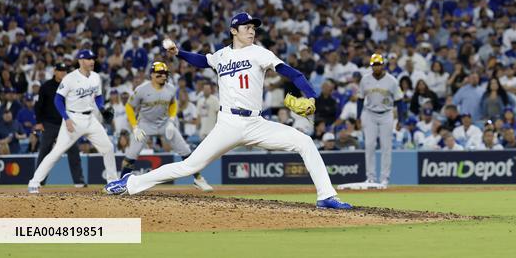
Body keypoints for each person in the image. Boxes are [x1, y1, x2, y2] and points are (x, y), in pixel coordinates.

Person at [104, 12, 351, 209]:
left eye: (253, 27)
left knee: (305, 142)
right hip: (228, 124)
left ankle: (326, 196)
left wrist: (311, 95)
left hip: (256, 123)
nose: (252, 30)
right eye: (246, 27)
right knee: (189, 166)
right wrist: (179, 53)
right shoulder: (221, 55)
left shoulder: (260, 52)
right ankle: (130, 182)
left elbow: (291, 72)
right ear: (234, 30)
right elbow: (203, 60)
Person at [27, 50, 117, 193]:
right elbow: (58, 99)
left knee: (108, 148)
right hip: (73, 119)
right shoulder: (70, 78)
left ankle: (112, 182)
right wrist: (66, 118)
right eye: (88, 59)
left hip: (90, 118)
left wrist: (101, 108)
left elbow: (98, 97)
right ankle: (34, 182)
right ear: (81, 61)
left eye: (93, 58)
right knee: (57, 152)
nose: (92, 61)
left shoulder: (96, 77)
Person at [120, 61, 213, 191]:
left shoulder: (170, 88)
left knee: (185, 151)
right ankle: (121, 183)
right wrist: (135, 127)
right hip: (145, 124)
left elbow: (173, 104)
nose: (163, 76)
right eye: (160, 73)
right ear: (152, 74)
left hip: (164, 123)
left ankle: (198, 179)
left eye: (165, 73)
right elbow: (129, 106)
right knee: (131, 155)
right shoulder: (142, 89)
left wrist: (171, 120)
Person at [32, 62, 85, 188]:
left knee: (74, 152)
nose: (63, 73)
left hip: (67, 124)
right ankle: (38, 181)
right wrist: (39, 122)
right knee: (44, 152)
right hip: (50, 124)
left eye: (64, 71)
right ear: (55, 71)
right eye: (60, 70)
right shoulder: (46, 87)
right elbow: (38, 106)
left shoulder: (70, 85)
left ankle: (79, 181)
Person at [358, 52, 399, 188]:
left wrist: (401, 120)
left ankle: (384, 178)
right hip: (369, 113)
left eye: (378, 64)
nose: (376, 67)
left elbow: (400, 101)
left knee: (386, 147)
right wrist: (358, 117)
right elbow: (360, 99)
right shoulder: (365, 79)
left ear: (383, 65)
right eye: (374, 65)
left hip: (387, 114)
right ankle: (370, 177)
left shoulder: (392, 80)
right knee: (369, 145)